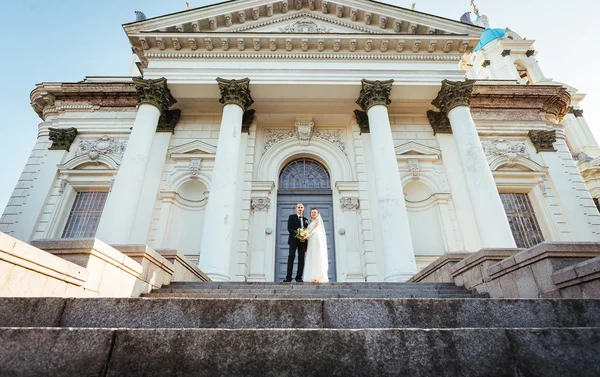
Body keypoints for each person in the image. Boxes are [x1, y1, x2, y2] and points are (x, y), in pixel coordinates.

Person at [284, 203, 309, 282]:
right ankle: (288, 278)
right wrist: (297, 234)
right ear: (296, 208)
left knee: (301, 258)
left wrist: (305, 239)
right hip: (293, 240)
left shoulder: (305, 219)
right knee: (291, 257)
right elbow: (289, 228)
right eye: (299, 207)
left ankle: (299, 277)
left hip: (302, 241)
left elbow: (306, 230)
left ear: (303, 209)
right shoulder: (292, 217)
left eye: (301, 207)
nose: (300, 209)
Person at [303, 208, 329, 283]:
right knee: (311, 256)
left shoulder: (317, 221)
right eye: (312, 212)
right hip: (311, 240)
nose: (313, 213)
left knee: (316, 256)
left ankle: (317, 276)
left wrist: (307, 235)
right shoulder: (310, 222)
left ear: (317, 214)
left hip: (316, 239)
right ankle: (312, 276)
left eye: (315, 212)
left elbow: (315, 229)